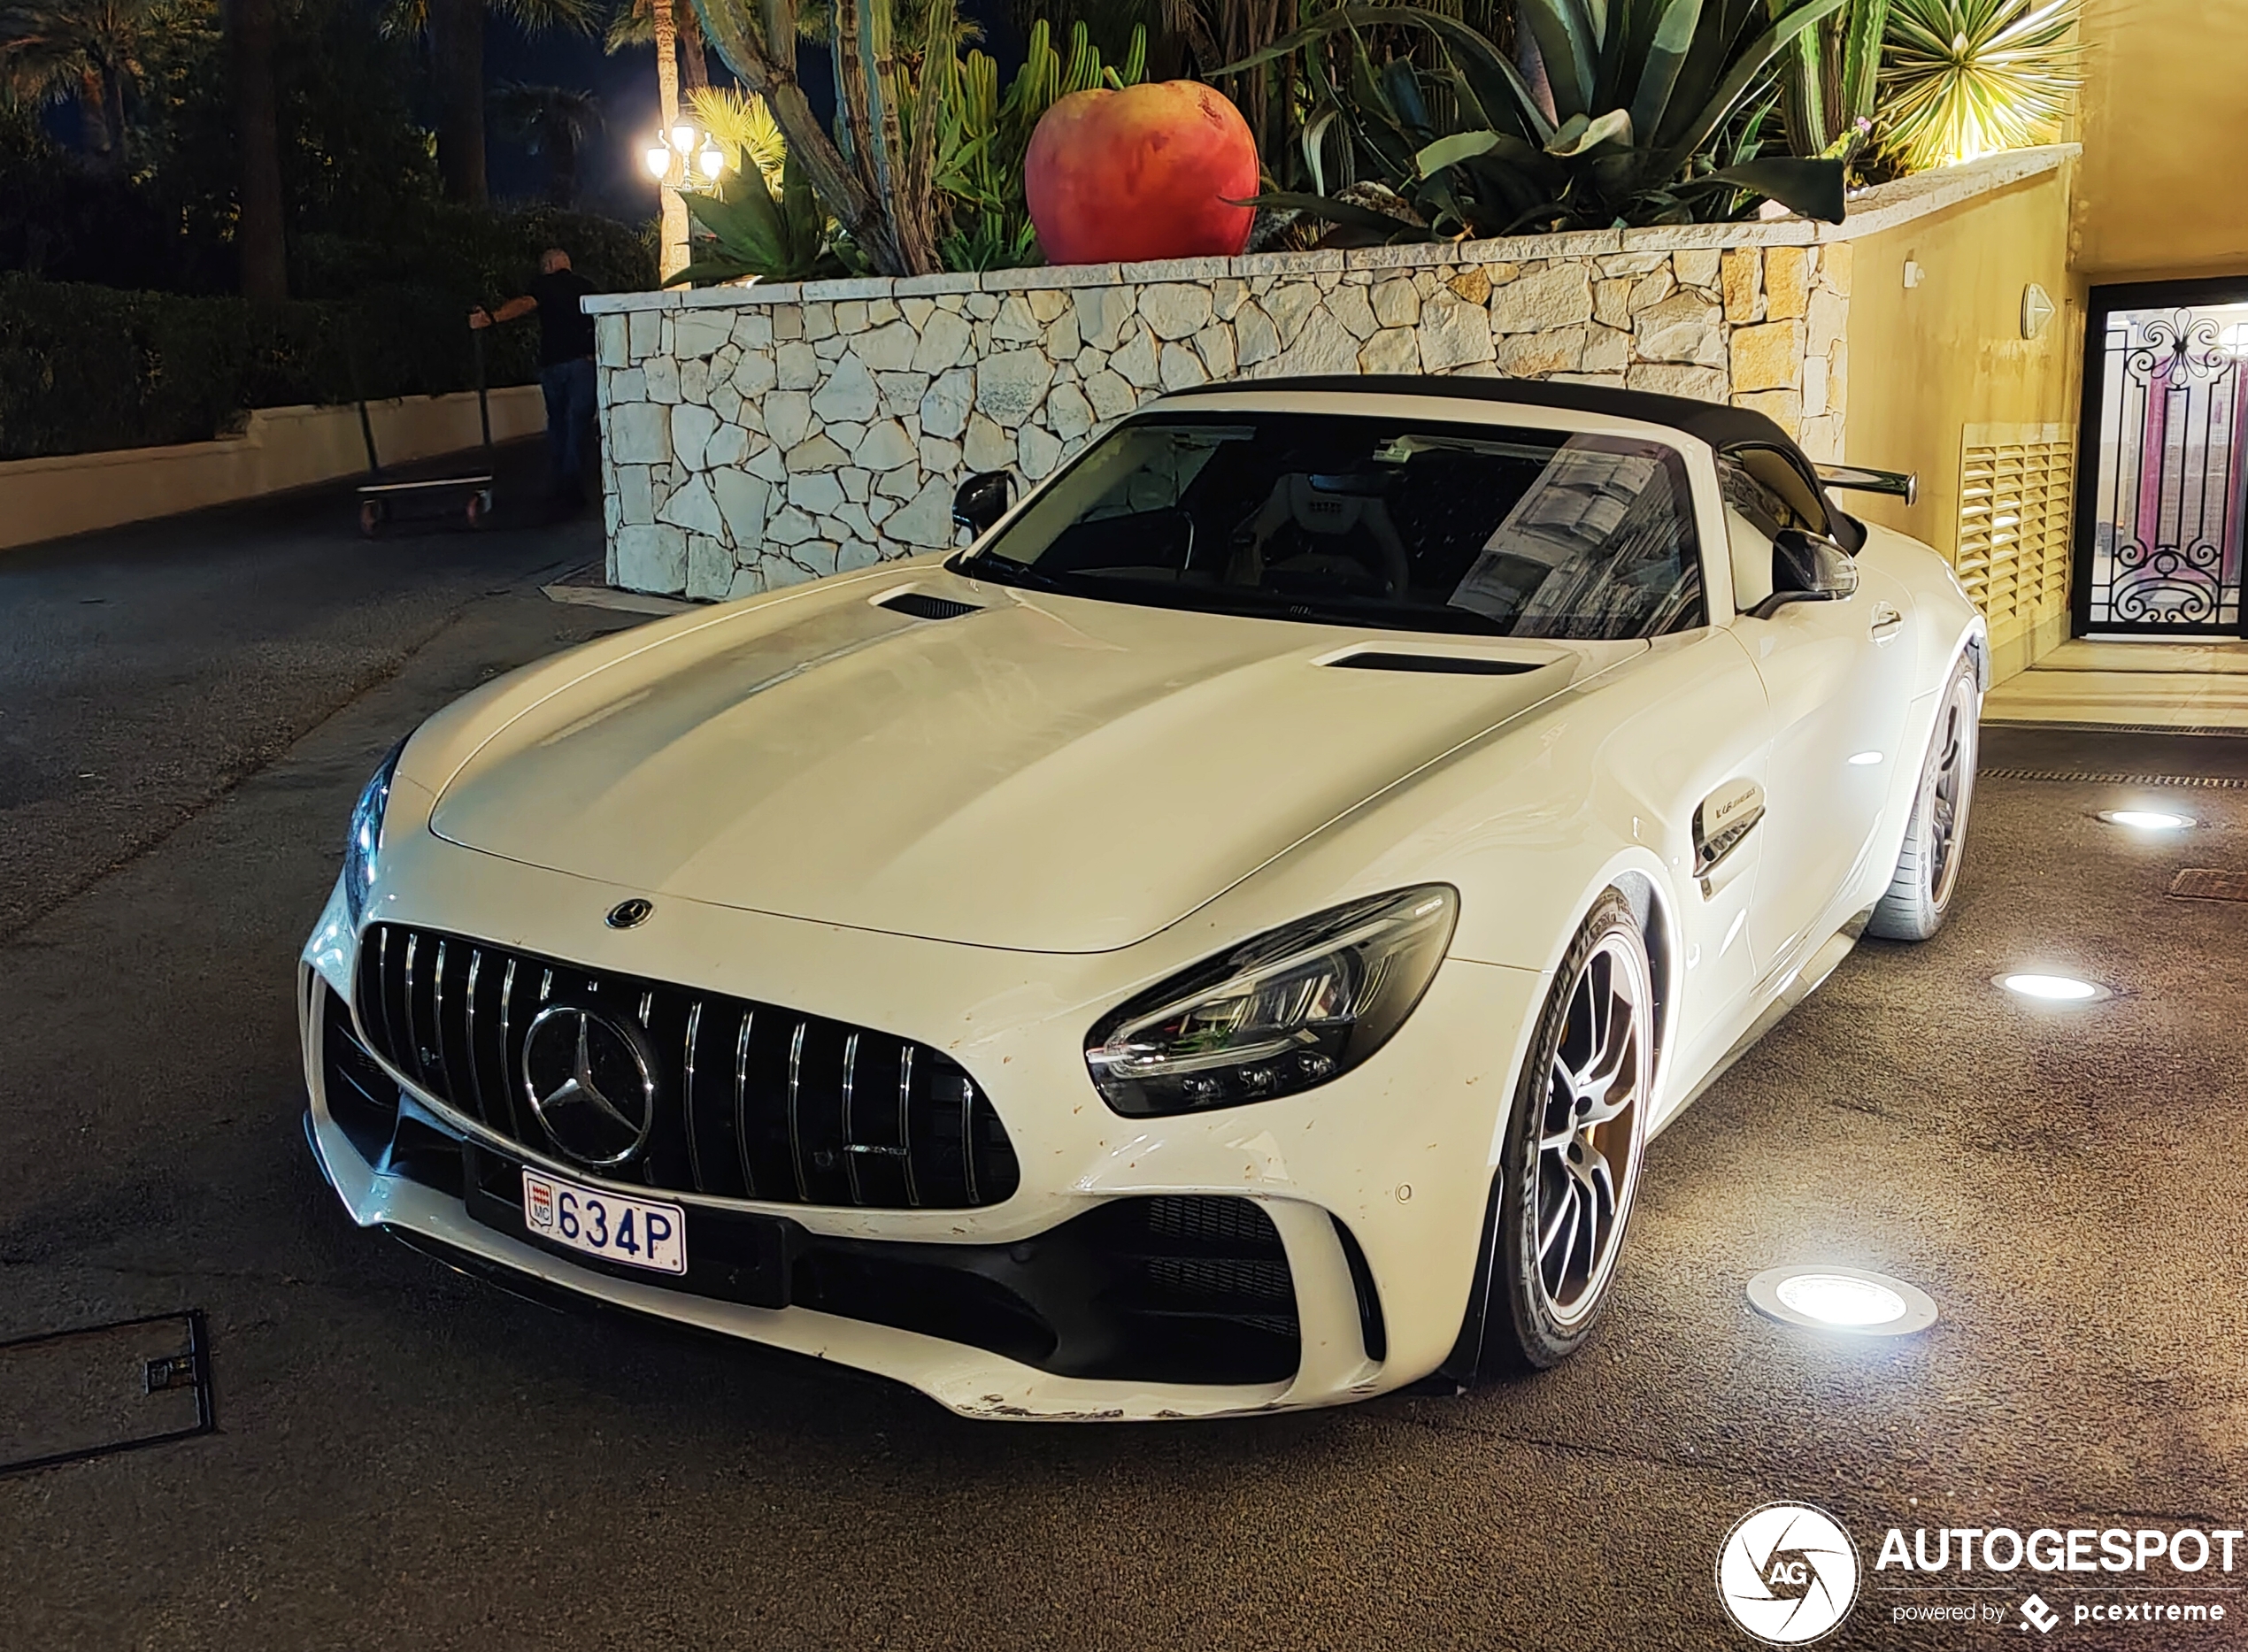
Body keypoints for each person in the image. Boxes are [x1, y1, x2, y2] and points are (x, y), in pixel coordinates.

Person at [470, 248, 597, 511]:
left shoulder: (543, 284)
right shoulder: (587, 286)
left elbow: (525, 303)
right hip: (583, 364)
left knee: (558, 423)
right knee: (579, 424)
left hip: (553, 364)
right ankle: (572, 487)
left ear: (549, 265)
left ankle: (558, 484)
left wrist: (492, 318)